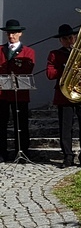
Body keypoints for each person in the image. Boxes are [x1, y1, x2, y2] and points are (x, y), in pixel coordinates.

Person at [46, 24, 81, 168]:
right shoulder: (55, 54)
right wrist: (65, 69)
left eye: (71, 37)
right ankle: (68, 157)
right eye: (65, 39)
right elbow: (50, 74)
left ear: (75, 38)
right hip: (64, 95)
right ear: (60, 40)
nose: (69, 41)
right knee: (65, 127)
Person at [0, 19, 35, 162]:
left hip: (19, 92)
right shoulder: (0, 50)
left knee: (21, 124)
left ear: (20, 34)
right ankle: (2, 153)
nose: (11, 36)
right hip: (2, 92)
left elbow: (28, 69)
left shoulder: (28, 51)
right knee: (1, 124)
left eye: (14, 33)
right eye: (9, 33)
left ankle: (22, 152)